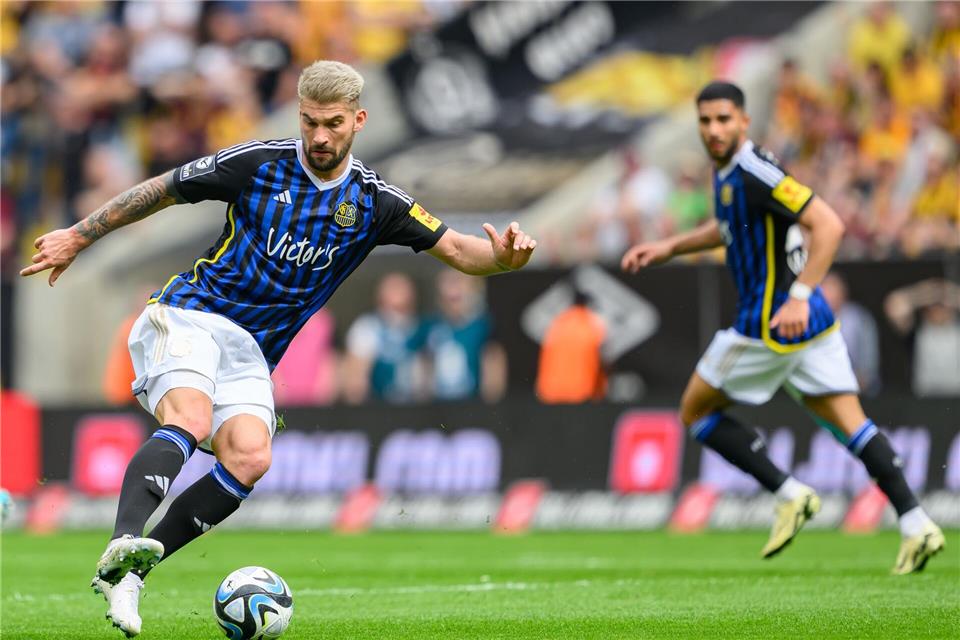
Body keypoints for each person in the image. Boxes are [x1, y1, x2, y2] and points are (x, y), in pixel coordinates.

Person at [20, 60, 537, 637]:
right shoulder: (258, 163)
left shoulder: (375, 203)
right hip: (191, 315)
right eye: (310, 122)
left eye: (333, 124)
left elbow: (463, 252)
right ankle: (122, 539)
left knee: (249, 457)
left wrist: (505, 259)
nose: (319, 136)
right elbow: (161, 190)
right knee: (189, 418)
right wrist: (79, 235)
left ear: (358, 121)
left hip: (252, 351)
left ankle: (133, 573)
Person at [621, 81, 943, 574]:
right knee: (851, 426)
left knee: (694, 411)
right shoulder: (732, 172)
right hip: (812, 324)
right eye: (705, 120)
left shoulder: (752, 170)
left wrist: (795, 294)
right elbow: (730, 226)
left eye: (724, 119)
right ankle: (916, 523)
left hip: (767, 323)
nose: (714, 129)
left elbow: (829, 224)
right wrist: (670, 247)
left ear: (745, 121)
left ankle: (790, 493)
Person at [423, 270, 506, 402]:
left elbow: (493, 361)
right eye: (448, 282)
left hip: (473, 404)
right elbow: (425, 363)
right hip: (438, 406)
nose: (453, 287)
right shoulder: (431, 326)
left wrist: (490, 402)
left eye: (458, 281)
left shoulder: (483, 325)